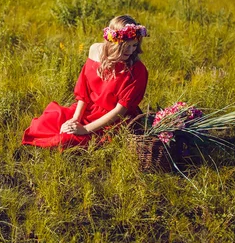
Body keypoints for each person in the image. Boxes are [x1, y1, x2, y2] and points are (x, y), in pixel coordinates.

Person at [22, 15, 149, 148]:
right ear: (113, 42)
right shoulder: (95, 50)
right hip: (88, 109)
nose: (131, 50)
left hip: (113, 120)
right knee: (48, 121)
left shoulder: (137, 70)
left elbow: (120, 111)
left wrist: (86, 129)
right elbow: (84, 92)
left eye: (134, 45)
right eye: (125, 46)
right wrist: (75, 119)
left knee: (66, 140)